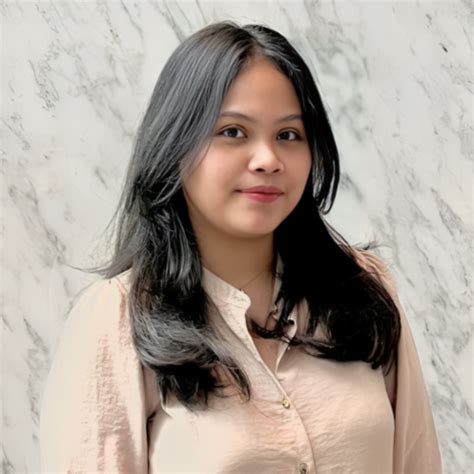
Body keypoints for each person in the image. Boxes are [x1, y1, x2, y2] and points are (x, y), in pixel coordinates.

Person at [39, 20, 442, 473]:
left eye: (289, 135)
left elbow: (417, 462)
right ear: (175, 144)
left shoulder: (363, 289)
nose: (268, 159)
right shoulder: (116, 321)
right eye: (232, 131)